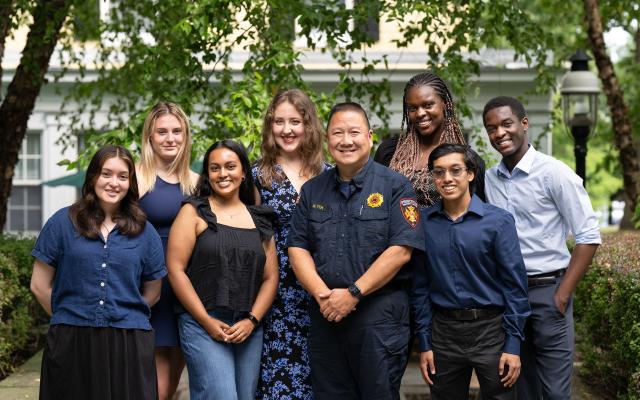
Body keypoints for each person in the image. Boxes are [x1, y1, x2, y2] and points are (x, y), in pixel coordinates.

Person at [288, 102, 425, 400]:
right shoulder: (313, 190)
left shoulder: (396, 187)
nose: (346, 140)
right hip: (326, 318)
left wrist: (352, 293)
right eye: (337, 133)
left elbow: (401, 250)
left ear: (370, 136)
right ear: (327, 140)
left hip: (379, 319)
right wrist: (323, 295)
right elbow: (297, 247)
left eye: (354, 132)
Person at [483, 96, 601, 399]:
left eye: (507, 124)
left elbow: (588, 235)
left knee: (555, 392)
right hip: (508, 296)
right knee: (520, 387)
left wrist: (562, 295)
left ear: (524, 124)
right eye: (492, 128)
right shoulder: (488, 180)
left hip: (549, 291)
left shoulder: (554, 173)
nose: (500, 133)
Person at [30, 145, 166, 400]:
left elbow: (153, 292)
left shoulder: (145, 232)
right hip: (72, 341)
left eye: (122, 176)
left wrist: (120, 313)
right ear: (93, 177)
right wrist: (73, 316)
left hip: (129, 343)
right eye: (106, 174)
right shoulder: (61, 222)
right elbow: (39, 285)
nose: (114, 183)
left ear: (130, 183)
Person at [412, 143, 530, 399]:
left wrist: (513, 344)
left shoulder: (498, 221)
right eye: (439, 172)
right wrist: (424, 342)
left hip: (491, 331)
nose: (447, 179)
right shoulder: (424, 224)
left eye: (455, 170)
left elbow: (515, 287)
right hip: (443, 333)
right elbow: (420, 286)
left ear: (470, 173)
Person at [166, 140, 279, 400]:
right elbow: (175, 269)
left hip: (247, 326)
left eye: (230, 166)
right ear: (208, 174)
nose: (223, 174)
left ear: (243, 173)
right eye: (214, 168)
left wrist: (252, 321)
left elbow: (271, 277)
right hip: (202, 322)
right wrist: (206, 321)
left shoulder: (260, 218)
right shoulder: (193, 212)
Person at [252, 89, 328, 399]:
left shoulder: (329, 175)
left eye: (295, 121)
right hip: (276, 292)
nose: (287, 130)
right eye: (279, 122)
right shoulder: (257, 177)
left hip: (321, 291)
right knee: (277, 378)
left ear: (308, 125)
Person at [137, 101, 199, 400]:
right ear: (150, 136)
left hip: (188, 286)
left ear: (186, 136)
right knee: (153, 384)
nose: (170, 138)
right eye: (162, 131)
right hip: (150, 283)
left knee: (175, 372)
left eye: (177, 131)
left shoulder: (198, 183)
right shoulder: (135, 178)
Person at [374, 71, 486, 207]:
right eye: (413, 108)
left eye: (428, 105)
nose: (420, 113)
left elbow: (476, 215)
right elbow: (375, 199)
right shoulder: (390, 151)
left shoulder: (467, 159)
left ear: (444, 103)